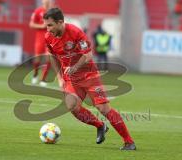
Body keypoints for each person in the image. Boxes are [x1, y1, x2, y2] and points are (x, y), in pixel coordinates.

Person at [43, 8, 136, 150]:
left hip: (89, 75)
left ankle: (129, 142)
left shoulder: (75, 32)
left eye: (50, 25)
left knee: (103, 108)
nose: (47, 29)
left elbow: (88, 56)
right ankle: (100, 126)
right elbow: (52, 56)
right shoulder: (48, 37)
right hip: (70, 78)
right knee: (72, 107)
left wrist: (74, 67)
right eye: (46, 25)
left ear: (60, 22)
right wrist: (59, 77)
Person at [29, 0, 53, 86]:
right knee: (37, 59)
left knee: (48, 58)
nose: (47, 2)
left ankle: (43, 79)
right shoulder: (38, 11)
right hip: (39, 38)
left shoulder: (54, 12)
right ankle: (35, 75)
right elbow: (31, 24)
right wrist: (41, 26)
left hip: (50, 39)